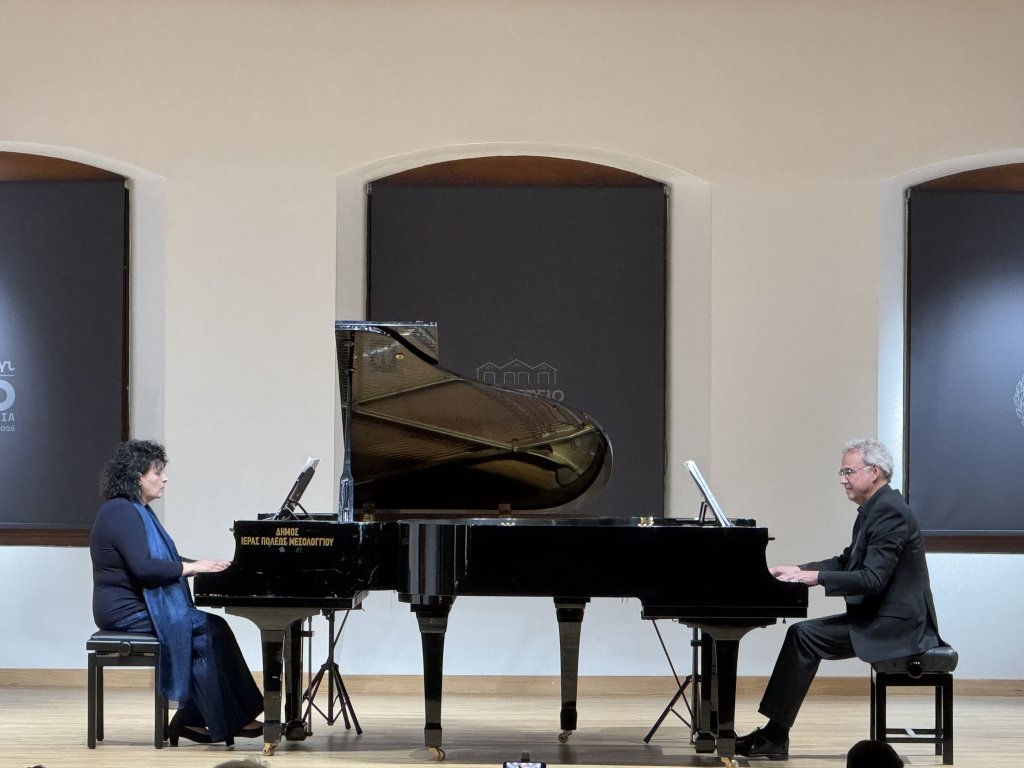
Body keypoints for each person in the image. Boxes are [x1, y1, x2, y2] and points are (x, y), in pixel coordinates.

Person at [736, 438, 942, 759]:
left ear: (874, 471)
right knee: (803, 635)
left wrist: (817, 578)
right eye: (842, 472)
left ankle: (774, 737)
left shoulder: (890, 512)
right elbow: (847, 562)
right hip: (880, 617)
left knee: (803, 636)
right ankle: (774, 735)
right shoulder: (874, 510)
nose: (843, 479)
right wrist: (800, 570)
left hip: (897, 626)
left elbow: (872, 579)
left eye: (848, 471)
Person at [90, 439, 264, 746]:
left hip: (142, 605)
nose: (164, 478)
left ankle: (193, 719)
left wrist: (202, 565)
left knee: (211, 630)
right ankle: (219, 718)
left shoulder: (136, 510)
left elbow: (164, 559)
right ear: (137, 477)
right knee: (208, 630)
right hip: (124, 612)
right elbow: (144, 567)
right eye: (157, 472)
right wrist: (191, 568)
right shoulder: (120, 511)